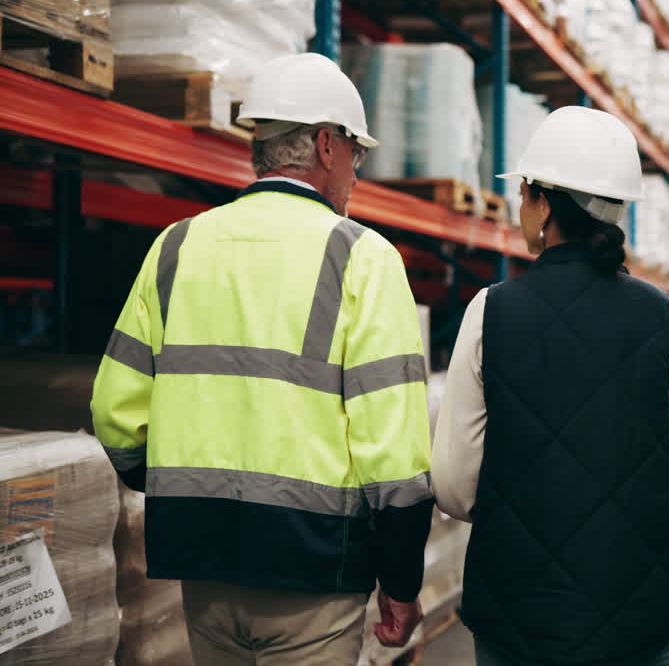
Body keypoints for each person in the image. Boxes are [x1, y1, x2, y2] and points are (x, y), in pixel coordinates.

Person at [91, 53, 434, 664]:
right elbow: (395, 456)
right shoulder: (363, 258)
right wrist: (402, 582)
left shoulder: (176, 245)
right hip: (315, 575)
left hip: (201, 565)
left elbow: (116, 413)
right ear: (327, 146)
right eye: (357, 153)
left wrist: (182, 493)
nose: (357, 172)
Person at [432, 106, 669, 666]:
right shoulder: (664, 316)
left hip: (519, 616)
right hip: (636, 615)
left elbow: (455, 485)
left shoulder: (489, 312)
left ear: (542, 205)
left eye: (522, 194)